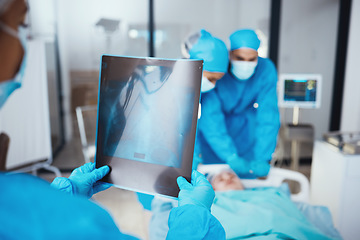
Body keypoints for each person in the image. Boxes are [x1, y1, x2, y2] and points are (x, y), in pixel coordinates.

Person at [0, 1, 225, 239]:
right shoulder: (65, 221)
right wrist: (194, 216)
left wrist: (67, 194)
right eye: (22, 24)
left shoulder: (22, 207)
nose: (27, 41)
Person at [150, 167, 342, 240]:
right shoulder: (202, 204)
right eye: (219, 178)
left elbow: (294, 219)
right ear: (209, 188)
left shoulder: (272, 196)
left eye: (231, 175)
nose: (226, 176)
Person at [196, 29, 280, 178]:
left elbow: (268, 116)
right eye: (239, 58)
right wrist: (230, 156)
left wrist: (263, 157)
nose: (245, 64)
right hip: (215, 137)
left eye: (252, 59)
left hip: (247, 130)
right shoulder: (218, 69)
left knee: (246, 180)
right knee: (215, 180)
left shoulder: (266, 70)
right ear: (230, 54)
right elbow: (211, 118)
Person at [181, 29, 229, 169]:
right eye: (210, 78)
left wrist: (231, 156)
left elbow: (213, 126)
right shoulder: (168, 88)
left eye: (217, 80)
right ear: (194, 65)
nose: (213, 85)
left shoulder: (206, 93)